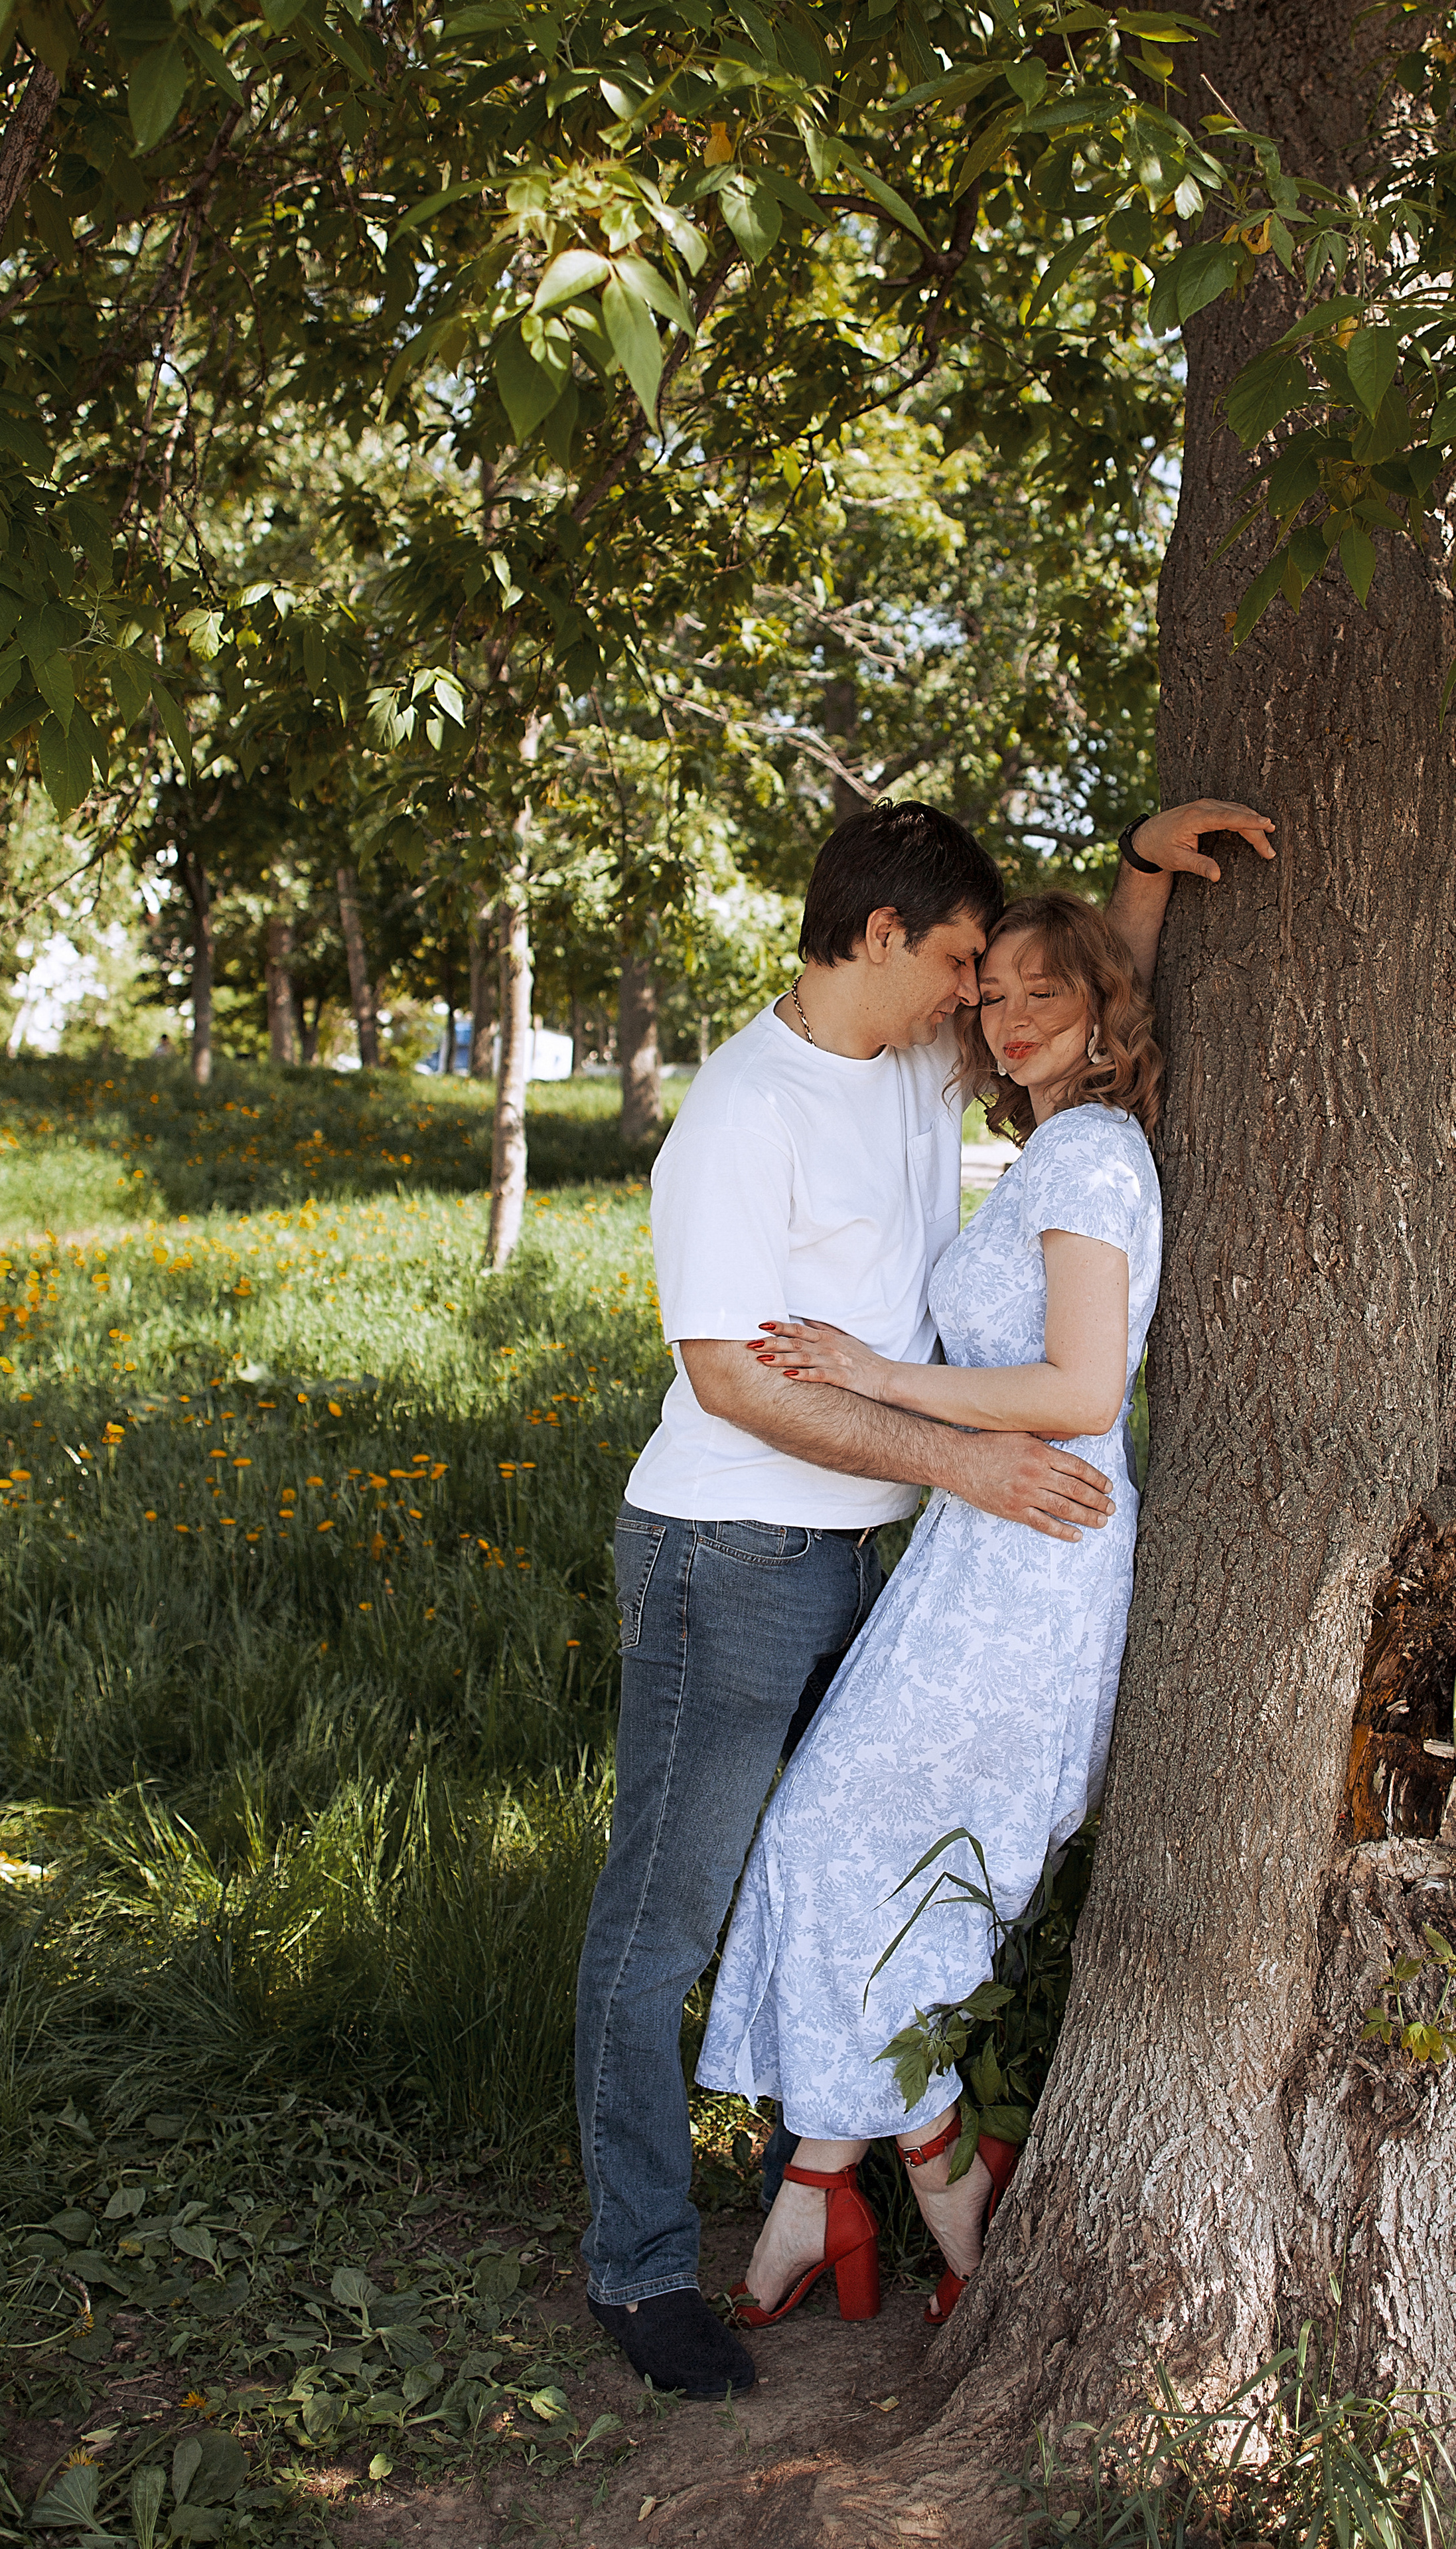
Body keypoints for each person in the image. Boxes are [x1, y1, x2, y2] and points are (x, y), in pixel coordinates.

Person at [575, 796, 1275, 2401]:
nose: (978, 998)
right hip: (728, 1555)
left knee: (848, 1872)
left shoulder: (909, 1057)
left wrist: (1138, 883)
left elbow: (1073, 1024)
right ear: (884, 939)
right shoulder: (741, 1117)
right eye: (959, 961)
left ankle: (818, 2194)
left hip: (883, 1563)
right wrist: (956, 1463)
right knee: (667, 1919)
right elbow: (730, 1383)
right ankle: (636, 2268)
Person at [697, 890, 1163, 2331]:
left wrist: (868, 1375)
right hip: (977, 1549)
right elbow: (1083, 988)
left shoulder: (1087, 1154)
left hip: (1031, 1557)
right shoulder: (1055, 1138)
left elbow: (1083, 1392)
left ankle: (911, 2191)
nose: (1008, 1017)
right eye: (991, 995)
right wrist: (1136, 869)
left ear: (1103, 1008)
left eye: (1042, 994)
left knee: (848, 1843)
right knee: (870, 1863)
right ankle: (865, 2185)